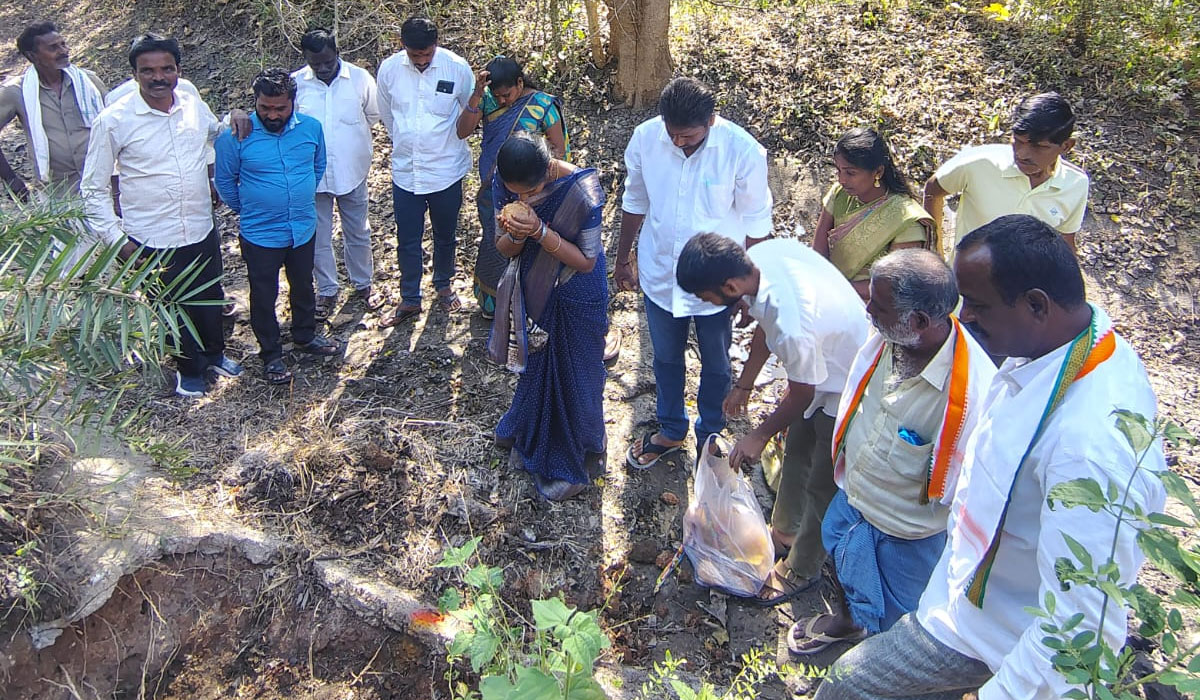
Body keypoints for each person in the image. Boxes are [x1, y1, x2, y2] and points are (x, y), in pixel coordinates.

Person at [814, 214, 1166, 700]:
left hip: (996, 631)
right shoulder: (1058, 346)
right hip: (964, 586)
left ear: (1037, 305)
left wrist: (1001, 692)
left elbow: (1080, 622)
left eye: (977, 306)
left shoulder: (1089, 447)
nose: (964, 318)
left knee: (848, 686)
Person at [786, 250, 995, 655]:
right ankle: (846, 623)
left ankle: (879, 662)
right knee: (840, 570)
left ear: (917, 322)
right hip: (852, 501)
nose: (867, 310)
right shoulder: (886, 338)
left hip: (907, 538)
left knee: (898, 628)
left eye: (878, 305)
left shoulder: (975, 396)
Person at [675, 233, 868, 605]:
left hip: (847, 381)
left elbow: (803, 392)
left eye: (707, 298)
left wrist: (759, 435)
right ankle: (784, 534)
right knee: (796, 451)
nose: (709, 305)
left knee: (823, 482)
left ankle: (803, 568)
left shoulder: (793, 322)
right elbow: (764, 328)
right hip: (819, 364)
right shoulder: (759, 259)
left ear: (729, 285)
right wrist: (744, 385)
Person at [616, 77, 773, 468]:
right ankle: (671, 429)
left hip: (716, 287)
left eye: (687, 136)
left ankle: (711, 433)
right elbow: (634, 199)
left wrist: (751, 292)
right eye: (672, 134)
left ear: (711, 121)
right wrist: (623, 258)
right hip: (660, 274)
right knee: (665, 359)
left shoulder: (742, 151)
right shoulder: (646, 138)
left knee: (717, 364)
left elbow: (757, 226)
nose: (677, 143)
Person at [81, 34, 241, 397]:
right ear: (134, 74)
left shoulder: (190, 102)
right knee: (171, 307)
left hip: (200, 225)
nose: (158, 77)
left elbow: (212, 133)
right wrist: (117, 240)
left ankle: (214, 354)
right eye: (148, 70)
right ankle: (189, 369)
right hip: (149, 237)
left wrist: (234, 117)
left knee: (209, 295)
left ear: (178, 70)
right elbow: (92, 189)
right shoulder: (114, 120)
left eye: (166, 69)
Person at [486, 133, 606, 501]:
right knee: (536, 368)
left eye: (531, 190)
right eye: (514, 192)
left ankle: (576, 451)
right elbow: (502, 248)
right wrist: (518, 235)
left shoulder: (580, 192)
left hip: (577, 291)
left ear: (550, 166)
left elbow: (586, 261)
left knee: (575, 373)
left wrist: (539, 231)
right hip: (534, 286)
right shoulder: (502, 184)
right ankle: (528, 426)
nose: (522, 198)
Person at [214, 68, 341, 385]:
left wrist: (297, 198)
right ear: (255, 102)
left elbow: (318, 164)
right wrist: (253, 208)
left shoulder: (311, 129)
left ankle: (305, 335)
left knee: (303, 286)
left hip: (302, 227)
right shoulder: (236, 137)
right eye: (265, 108)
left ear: (293, 103)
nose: (272, 115)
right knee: (263, 294)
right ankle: (271, 355)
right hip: (260, 235)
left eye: (279, 108)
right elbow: (225, 182)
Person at [377, 17, 474, 325]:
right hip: (406, 172)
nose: (420, 60)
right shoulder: (390, 69)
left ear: (436, 44)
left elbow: (470, 109)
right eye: (414, 54)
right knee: (407, 238)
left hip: (446, 170)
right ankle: (409, 297)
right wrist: (408, 143)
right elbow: (387, 115)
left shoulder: (457, 68)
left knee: (445, 235)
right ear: (401, 45)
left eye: (426, 54)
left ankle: (443, 285)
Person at [456, 55, 568, 321]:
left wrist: (543, 189)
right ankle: (493, 303)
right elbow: (462, 132)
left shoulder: (542, 104)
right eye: (498, 96)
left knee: (530, 246)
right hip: (493, 188)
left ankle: (529, 304)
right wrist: (476, 94)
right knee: (496, 243)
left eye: (507, 94)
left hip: (534, 190)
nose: (503, 101)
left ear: (520, 82)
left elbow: (559, 150)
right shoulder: (486, 99)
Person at [291, 28, 383, 319]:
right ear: (305, 58)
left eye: (327, 61)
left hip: (352, 170)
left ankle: (363, 283)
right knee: (318, 235)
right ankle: (327, 290)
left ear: (337, 53)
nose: (322, 68)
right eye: (315, 63)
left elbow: (373, 114)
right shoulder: (295, 84)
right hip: (311, 176)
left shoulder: (359, 79)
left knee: (358, 230)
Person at [923, 92, 1089, 253]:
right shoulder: (980, 162)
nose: (1022, 154)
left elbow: (1066, 241)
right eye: (1018, 141)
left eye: (1039, 146)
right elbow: (933, 189)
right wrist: (934, 253)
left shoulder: (1075, 185)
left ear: (1066, 146)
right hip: (964, 278)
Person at [813, 128, 932, 300]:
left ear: (878, 172)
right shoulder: (839, 194)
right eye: (838, 170)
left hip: (875, 308)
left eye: (850, 173)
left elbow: (891, 285)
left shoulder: (905, 219)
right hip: (828, 292)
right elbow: (818, 251)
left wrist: (836, 288)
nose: (842, 180)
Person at [0, 21, 106, 200]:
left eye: (63, 44)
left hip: (102, 183)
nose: (64, 51)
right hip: (57, 192)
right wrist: (10, 179)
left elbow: (118, 124)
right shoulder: (17, 92)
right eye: (53, 48)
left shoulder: (89, 83)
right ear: (32, 56)